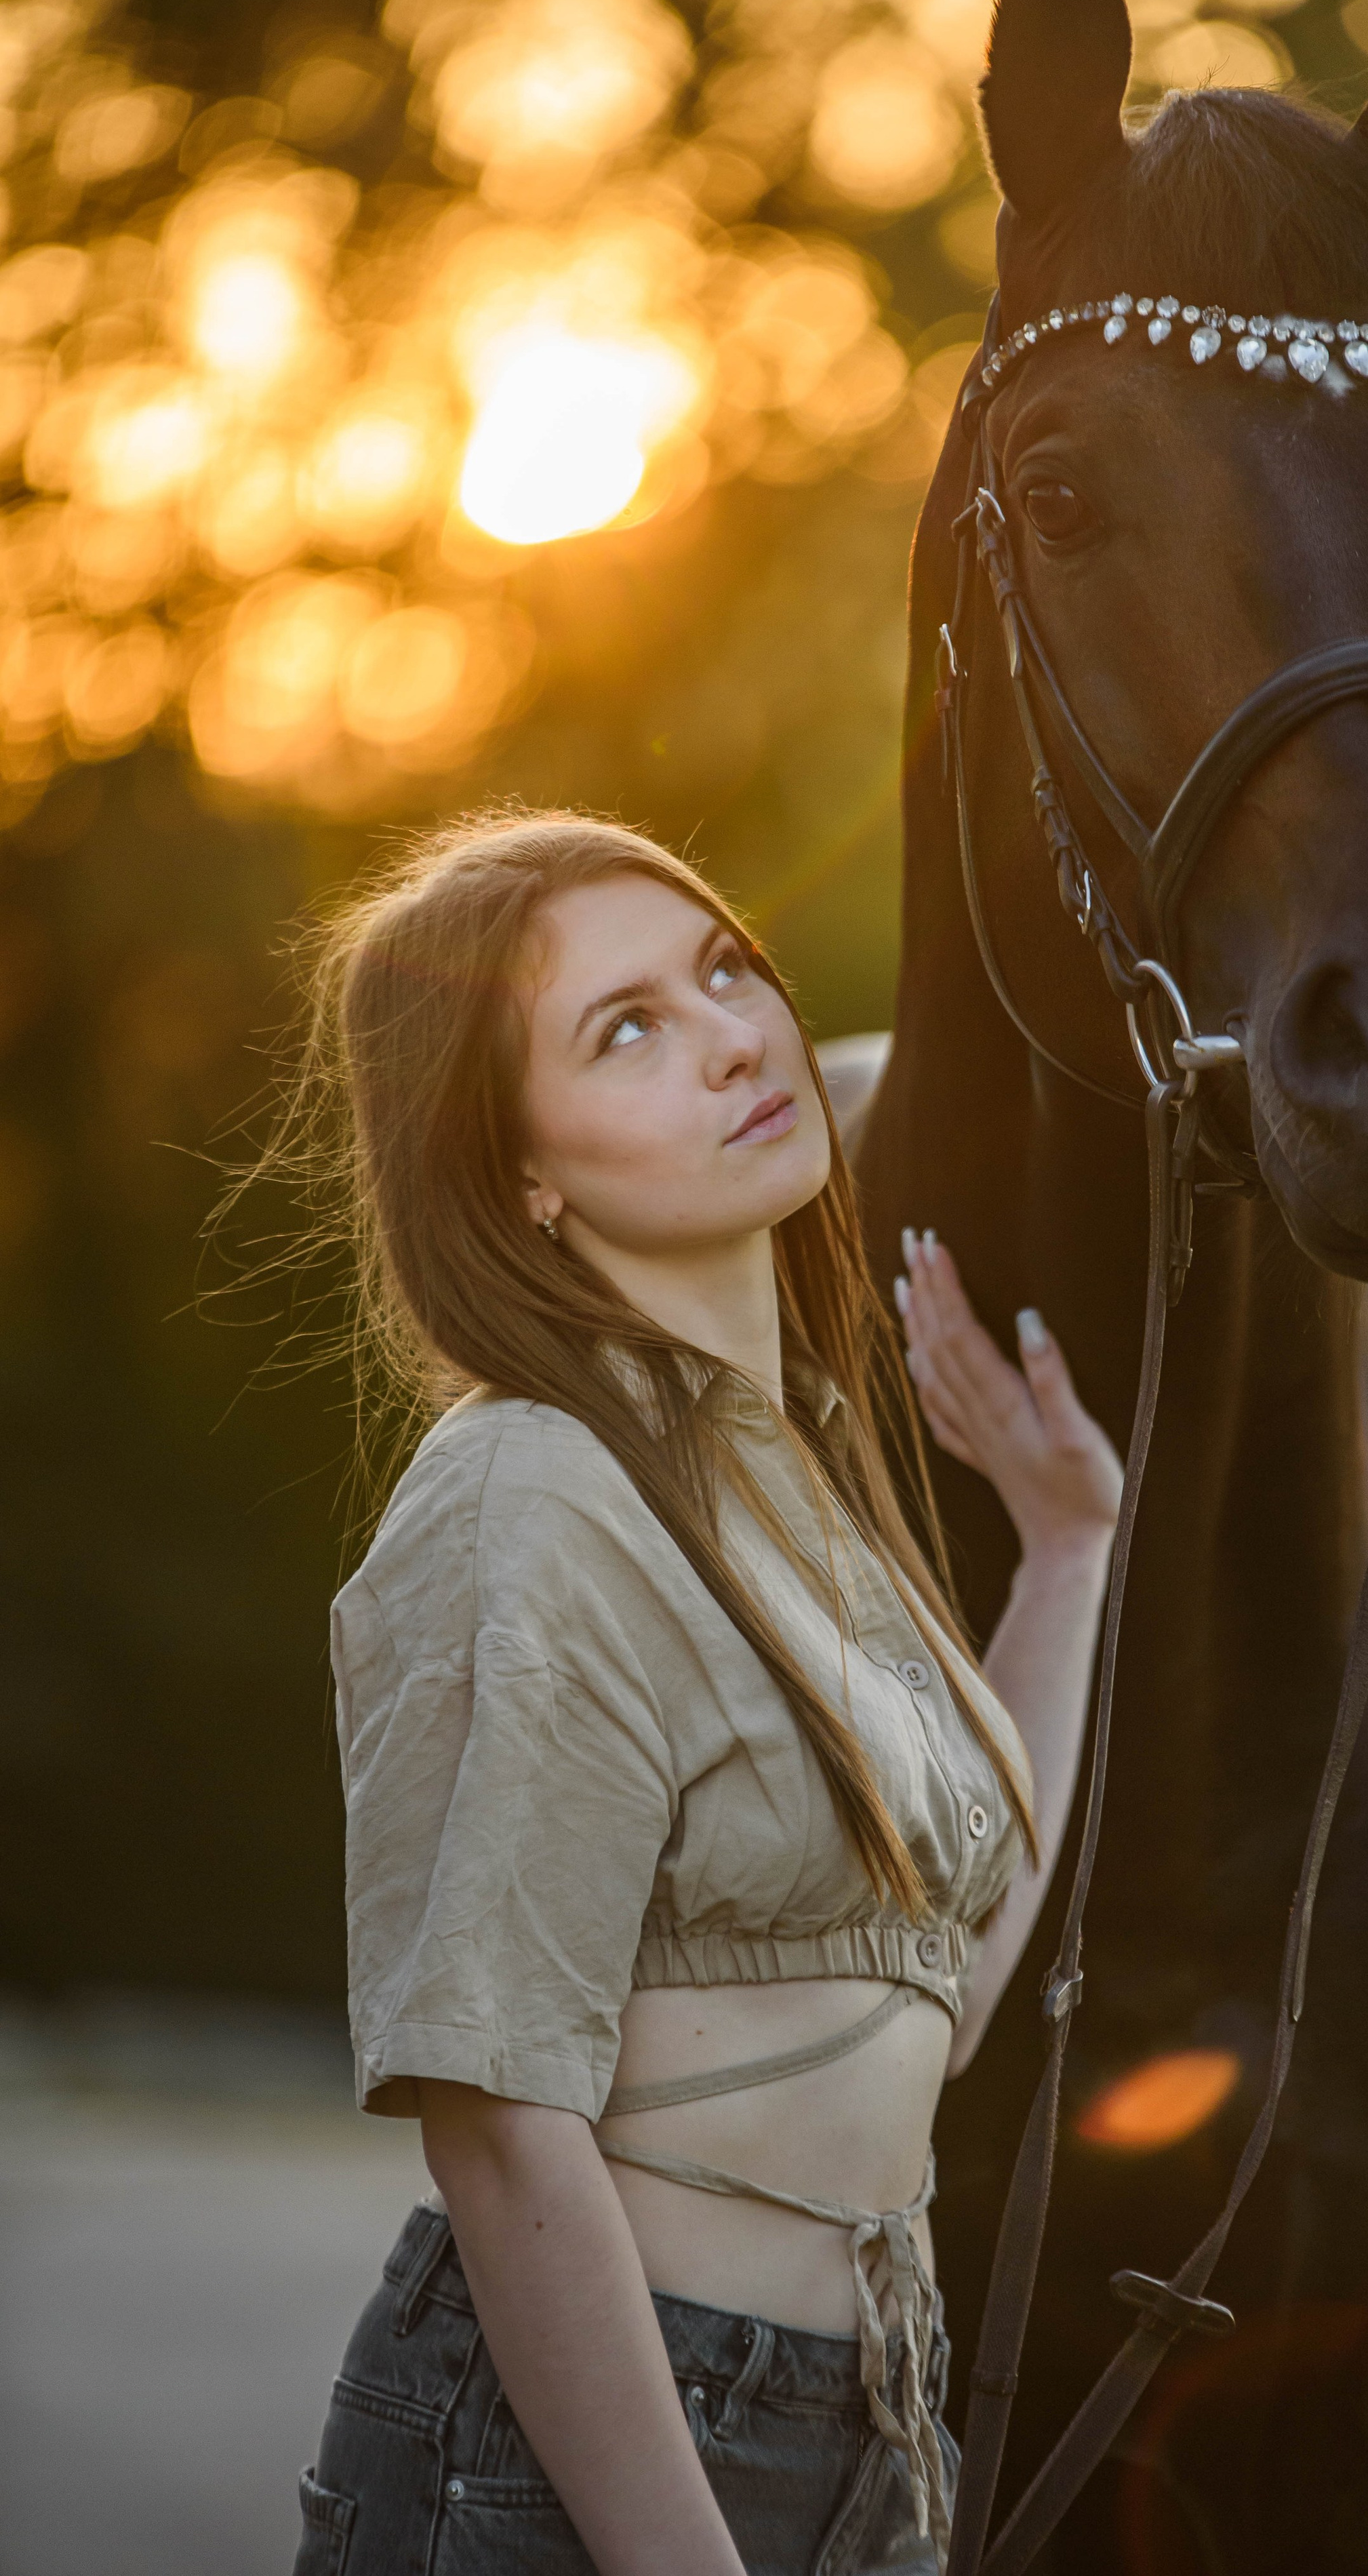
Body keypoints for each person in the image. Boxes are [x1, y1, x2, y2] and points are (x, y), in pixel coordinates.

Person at [286, 811, 1122, 2576]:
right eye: (627, 1027)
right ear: (521, 1171)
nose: (738, 1032)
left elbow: (941, 1994)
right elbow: (501, 2118)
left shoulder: (798, 1482)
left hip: (870, 2432)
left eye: (723, 969)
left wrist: (1065, 1555)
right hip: (589, 2448)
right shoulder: (531, 1489)